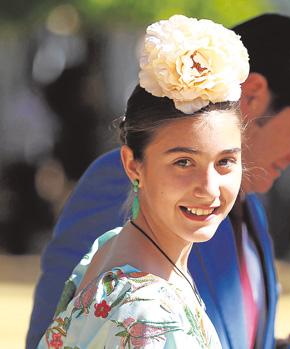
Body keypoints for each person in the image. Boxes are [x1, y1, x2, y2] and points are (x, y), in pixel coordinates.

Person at [27, 13, 290, 349]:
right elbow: (65, 334)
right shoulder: (118, 187)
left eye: (226, 162)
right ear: (133, 166)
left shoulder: (247, 210)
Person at [36, 14, 248, 347]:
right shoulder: (150, 315)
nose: (208, 188)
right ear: (133, 165)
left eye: (225, 161)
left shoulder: (109, 247)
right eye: (183, 162)